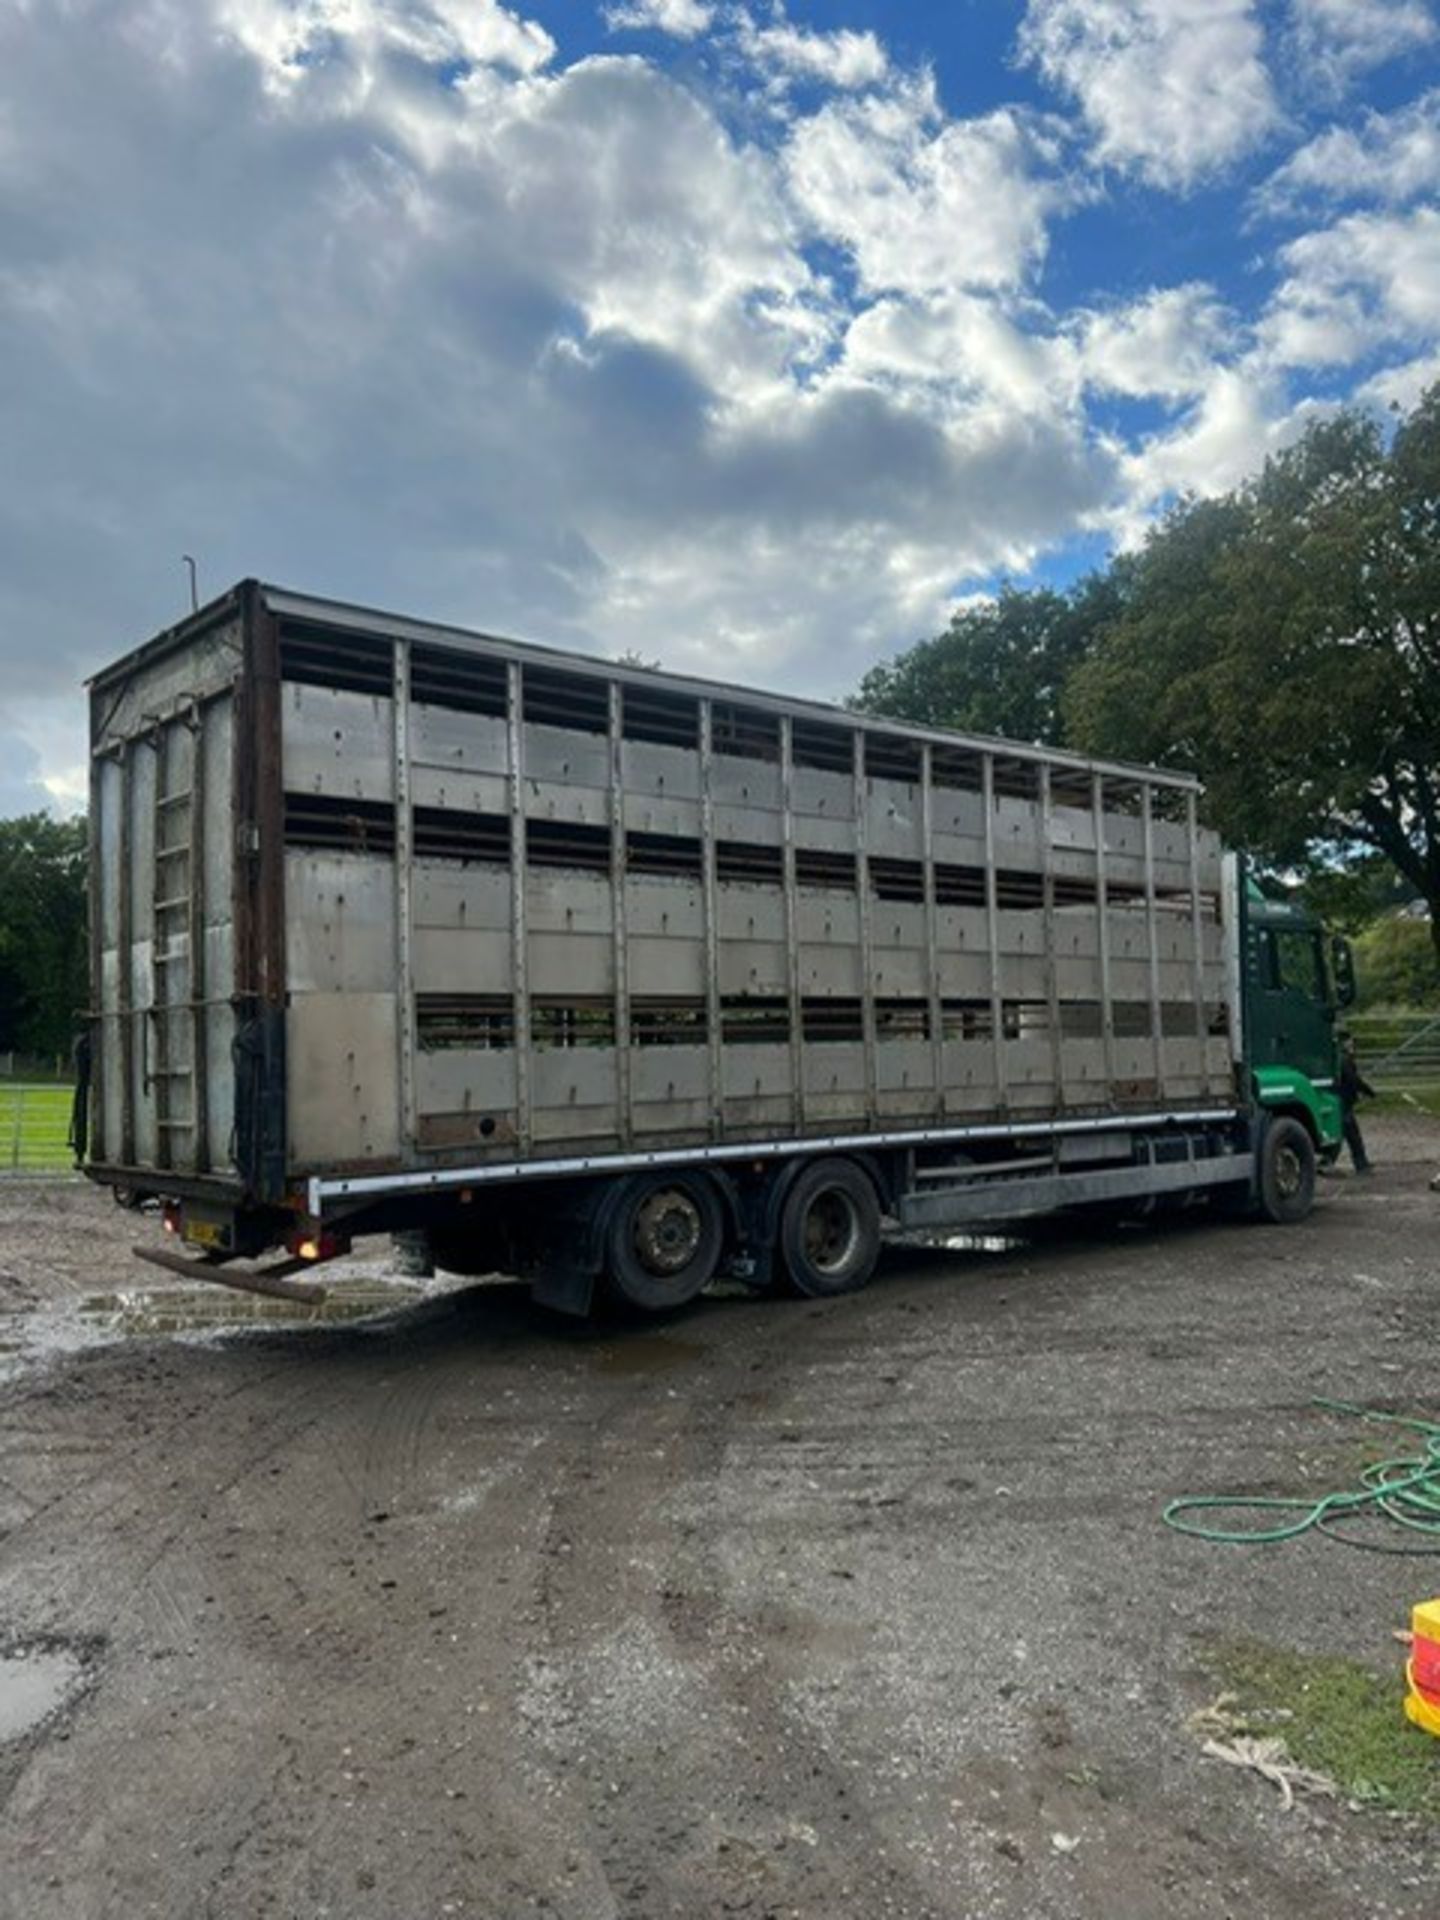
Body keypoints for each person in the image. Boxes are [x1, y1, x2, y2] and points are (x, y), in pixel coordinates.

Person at [1337, 1033, 1376, 1175]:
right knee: (1352, 1135)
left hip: (1343, 1102)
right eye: (1350, 1043)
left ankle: (1361, 1164)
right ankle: (1361, 1165)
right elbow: (1353, 1080)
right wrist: (1369, 1091)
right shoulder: (1344, 1060)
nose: (1353, 1046)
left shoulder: (1342, 1059)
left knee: (1347, 1134)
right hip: (1343, 1102)